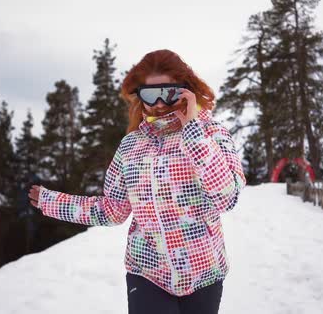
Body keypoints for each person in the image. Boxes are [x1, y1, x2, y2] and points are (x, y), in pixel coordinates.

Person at [28, 49, 246, 314]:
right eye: (149, 95)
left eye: (169, 93)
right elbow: (113, 210)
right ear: (140, 97)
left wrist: (192, 131)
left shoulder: (213, 133)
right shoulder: (132, 146)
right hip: (147, 273)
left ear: (185, 91)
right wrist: (52, 202)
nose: (159, 103)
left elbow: (227, 197)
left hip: (203, 274)